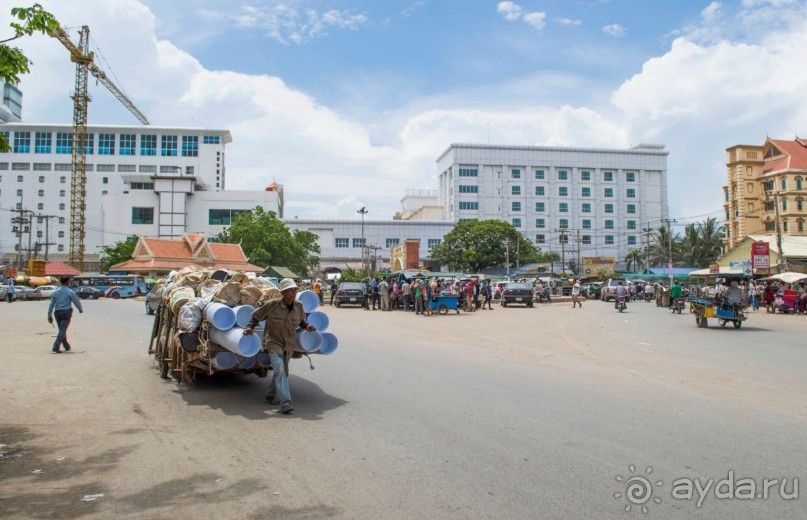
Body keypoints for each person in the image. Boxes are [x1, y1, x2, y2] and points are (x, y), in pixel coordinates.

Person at [244, 278, 316, 414]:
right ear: (283, 293)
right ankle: (286, 403)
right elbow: (256, 316)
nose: (294, 292)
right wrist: (249, 327)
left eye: (295, 290)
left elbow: (301, 322)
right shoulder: (272, 305)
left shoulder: (299, 307)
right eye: (290, 290)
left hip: (288, 345)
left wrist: (307, 326)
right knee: (280, 370)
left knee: (283, 372)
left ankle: (270, 394)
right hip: (273, 342)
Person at [47, 276, 83, 353]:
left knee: (61, 330)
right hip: (66, 313)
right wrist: (80, 309)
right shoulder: (70, 292)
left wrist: (49, 314)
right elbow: (76, 301)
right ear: (67, 282)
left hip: (57, 313)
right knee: (62, 330)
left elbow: (51, 304)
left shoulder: (55, 292)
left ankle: (66, 346)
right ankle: (56, 346)